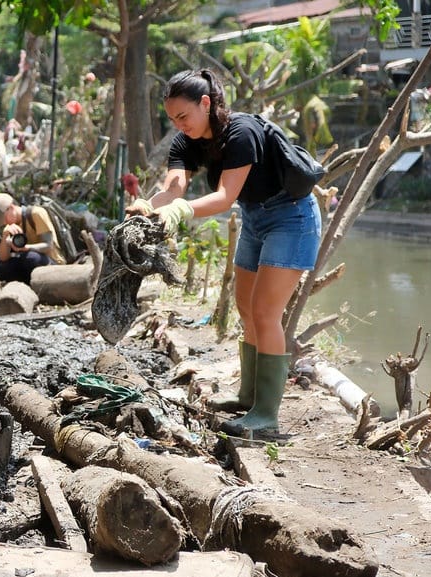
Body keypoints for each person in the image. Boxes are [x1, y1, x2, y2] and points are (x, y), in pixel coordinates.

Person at [126, 69, 322, 437]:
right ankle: (248, 397)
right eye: (172, 119)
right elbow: (174, 186)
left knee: (266, 312)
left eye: (183, 116)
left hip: (291, 218)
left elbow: (224, 197)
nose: (178, 125)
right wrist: (150, 205)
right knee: (246, 308)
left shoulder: (241, 133)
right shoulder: (187, 140)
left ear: (206, 103)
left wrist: (181, 211)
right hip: (255, 218)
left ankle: (267, 415)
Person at [0, 192, 64, 284]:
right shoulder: (11, 227)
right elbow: (3, 258)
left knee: (30, 257)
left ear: (11, 208)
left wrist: (25, 248)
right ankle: (27, 285)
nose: (5, 223)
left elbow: (48, 246)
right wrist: (5, 236)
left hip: (51, 263)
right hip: (28, 263)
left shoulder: (36, 213)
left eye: (5, 219)